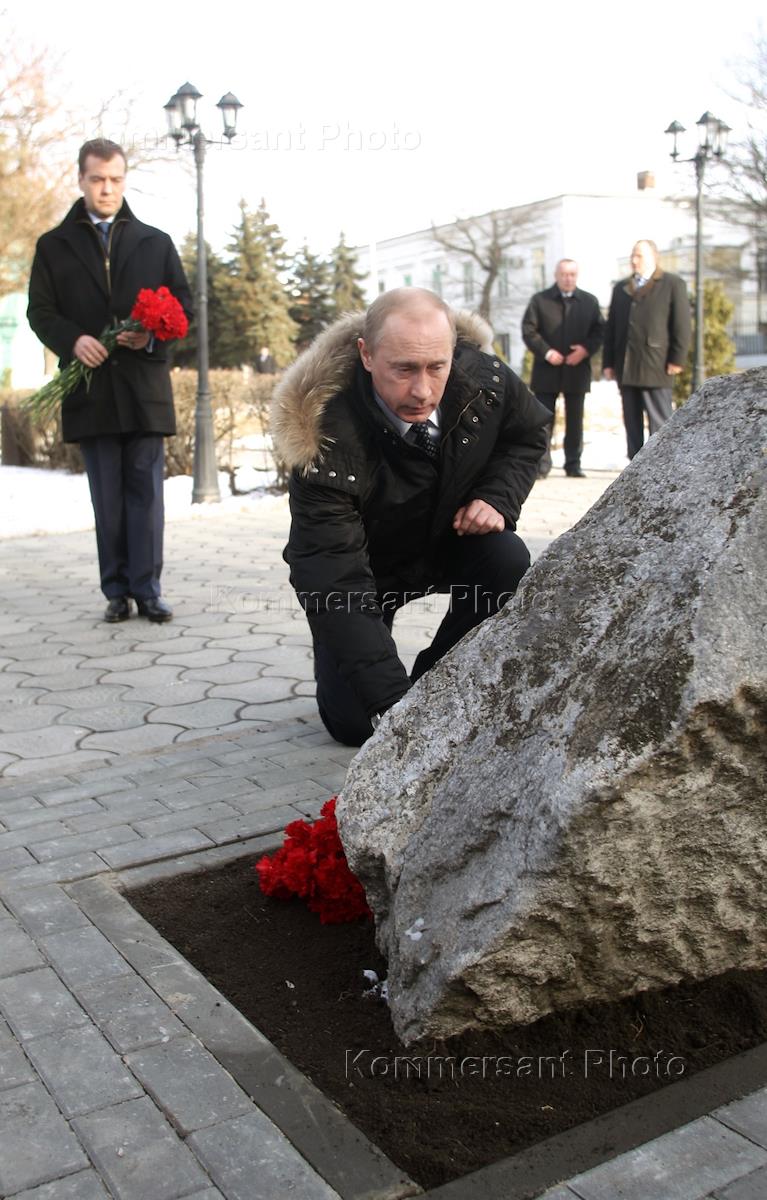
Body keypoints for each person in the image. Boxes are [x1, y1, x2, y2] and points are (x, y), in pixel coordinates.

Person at [271, 287, 549, 746]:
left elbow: (527, 434)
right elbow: (331, 577)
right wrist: (390, 704)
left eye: (436, 367)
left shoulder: (486, 380)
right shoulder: (323, 437)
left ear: (453, 351)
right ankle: (400, 699)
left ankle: (437, 685)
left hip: (448, 542)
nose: (422, 390)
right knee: (354, 725)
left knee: (506, 557)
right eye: (403, 369)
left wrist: (497, 497)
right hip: (366, 574)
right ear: (366, 355)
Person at [27, 139, 192, 623]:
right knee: (108, 499)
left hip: (144, 391)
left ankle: (149, 589)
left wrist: (151, 338)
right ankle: (116, 591)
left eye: (116, 179)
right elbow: (40, 311)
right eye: (97, 179)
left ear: (124, 180)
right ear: (81, 179)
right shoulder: (53, 246)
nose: (107, 188)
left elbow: (183, 307)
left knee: (146, 496)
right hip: (91, 390)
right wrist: (73, 340)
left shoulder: (155, 241)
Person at [603, 239, 691, 460]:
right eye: (633, 255)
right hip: (627, 365)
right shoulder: (621, 288)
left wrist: (677, 358)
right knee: (631, 422)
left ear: (654, 257)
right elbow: (611, 327)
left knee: (659, 421)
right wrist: (608, 362)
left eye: (639, 256)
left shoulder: (672, 284)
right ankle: (634, 465)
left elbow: (681, 325)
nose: (634, 260)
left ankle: (661, 464)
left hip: (657, 364)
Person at [521, 259, 605, 478]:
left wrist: (585, 350)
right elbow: (529, 330)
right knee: (543, 420)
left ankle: (573, 464)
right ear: (556, 275)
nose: (568, 279)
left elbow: (599, 331)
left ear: (577, 276)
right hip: (546, 370)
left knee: (575, 420)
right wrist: (547, 352)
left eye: (572, 275)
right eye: (564, 274)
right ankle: (542, 465)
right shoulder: (540, 300)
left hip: (577, 370)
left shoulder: (589, 301)